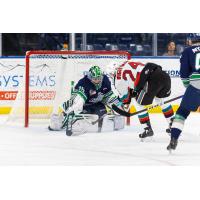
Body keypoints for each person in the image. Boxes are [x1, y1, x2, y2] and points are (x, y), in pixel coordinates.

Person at [106, 60, 174, 139]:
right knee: (161, 101)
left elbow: (126, 100)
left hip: (151, 81)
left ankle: (147, 129)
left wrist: (120, 105)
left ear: (111, 73)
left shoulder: (118, 80)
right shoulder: (126, 62)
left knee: (138, 103)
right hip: (164, 75)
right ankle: (173, 126)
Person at [49, 65, 123, 136]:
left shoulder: (105, 80)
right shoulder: (83, 83)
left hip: (97, 104)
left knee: (108, 108)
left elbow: (108, 95)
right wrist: (74, 107)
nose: (97, 80)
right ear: (90, 77)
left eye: (99, 78)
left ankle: (112, 123)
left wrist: (116, 106)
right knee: (77, 104)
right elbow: (79, 97)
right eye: (95, 79)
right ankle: (61, 121)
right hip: (85, 105)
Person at [167, 33, 200, 151]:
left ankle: (174, 139)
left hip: (196, 85)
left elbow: (184, 74)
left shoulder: (187, 51)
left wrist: (190, 88)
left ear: (191, 40)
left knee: (181, 113)